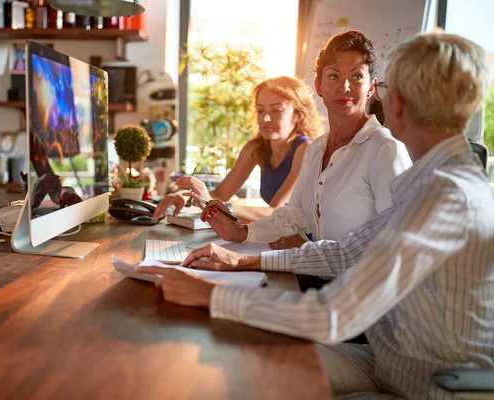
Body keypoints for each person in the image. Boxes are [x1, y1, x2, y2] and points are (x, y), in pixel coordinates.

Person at [138, 32, 494, 399]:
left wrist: (210, 294)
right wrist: (239, 261)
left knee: (246, 368)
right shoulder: (438, 184)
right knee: (249, 351)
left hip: (421, 386)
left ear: (397, 102)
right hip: (390, 360)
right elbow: (344, 252)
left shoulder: (445, 198)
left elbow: (332, 314)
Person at [200, 30, 412, 250]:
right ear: (319, 86)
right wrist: (242, 232)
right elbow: (294, 215)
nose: (345, 86)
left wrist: (308, 248)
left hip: (359, 282)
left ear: (371, 87)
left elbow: (396, 241)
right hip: (319, 275)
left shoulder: (385, 148)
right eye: (334, 75)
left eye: (357, 76)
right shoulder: (316, 149)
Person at [151, 76, 324, 224]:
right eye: (260, 110)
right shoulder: (256, 148)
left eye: (277, 110)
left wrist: (212, 203)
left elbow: (276, 212)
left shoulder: (306, 149)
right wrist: (187, 196)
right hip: (278, 234)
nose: (266, 118)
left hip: (303, 239)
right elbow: (221, 193)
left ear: (298, 115)